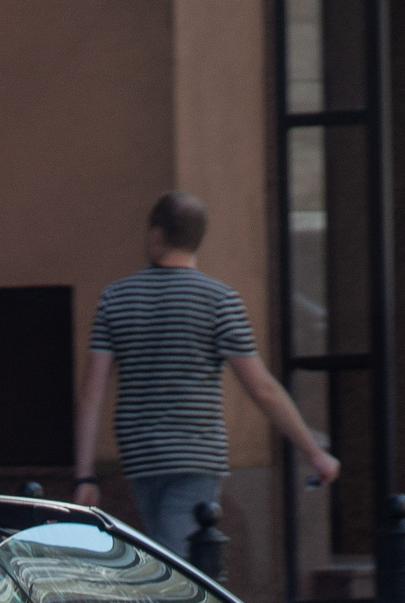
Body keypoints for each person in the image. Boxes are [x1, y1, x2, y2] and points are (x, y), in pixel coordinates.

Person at [73, 191, 340, 567]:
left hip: (139, 456)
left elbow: (91, 393)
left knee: (166, 556)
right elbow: (261, 388)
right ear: (197, 238)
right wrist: (313, 451)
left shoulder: (115, 299)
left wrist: (85, 475)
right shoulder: (219, 300)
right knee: (179, 566)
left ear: (156, 235)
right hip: (196, 454)